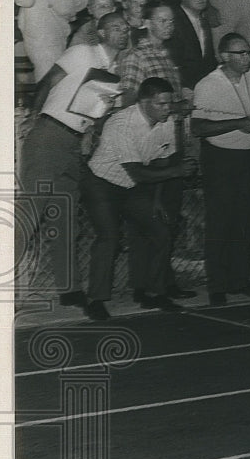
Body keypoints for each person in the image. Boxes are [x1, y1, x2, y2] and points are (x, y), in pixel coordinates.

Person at [18, 12, 129, 310]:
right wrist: (33, 119)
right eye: (115, 27)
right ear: (102, 33)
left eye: (125, 28)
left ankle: (69, 289)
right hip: (50, 136)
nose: (122, 32)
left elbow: (91, 112)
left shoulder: (113, 70)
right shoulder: (82, 53)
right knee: (30, 213)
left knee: (64, 220)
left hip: (72, 143)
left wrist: (93, 126)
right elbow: (47, 83)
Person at [82, 77, 193, 320]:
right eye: (161, 104)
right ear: (143, 103)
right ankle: (95, 300)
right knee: (109, 238)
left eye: (170, 103)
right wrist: (177, 171)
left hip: (132, 186)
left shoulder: (166, 121)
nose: (168, 108)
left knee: (161, 230)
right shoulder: (121, 123)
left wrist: (157, 201)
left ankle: (153, 292)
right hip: (102, 183)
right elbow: (139, 172)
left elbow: (161, 162)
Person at [191, 34, 250, 306]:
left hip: (249, 157)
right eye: (240, 53)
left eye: (249, 53)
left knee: (244, 221)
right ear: (224, 56)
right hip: (221, 158)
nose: (247, 57)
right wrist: (236, 124)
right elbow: (198, 128)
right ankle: (217, 285)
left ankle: (240, 280)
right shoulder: (207, 85)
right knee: (220, 221)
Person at [165, 0, 219, 91]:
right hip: (184, 87)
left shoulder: (203, 20)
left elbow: (208, 60)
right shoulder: (173, 20)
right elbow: (174, 62)